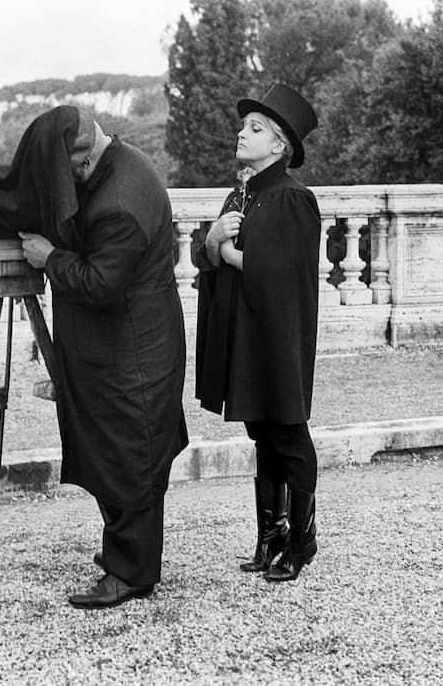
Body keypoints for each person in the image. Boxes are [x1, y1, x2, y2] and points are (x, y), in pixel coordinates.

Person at [0, 106, 188, 609]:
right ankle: (125, 557)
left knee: (131, 454)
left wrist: (49, 258)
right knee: (116, 449)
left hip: (134, 350)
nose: (68, 185)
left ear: (85, 156)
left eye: (68, 175)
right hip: (119, 346)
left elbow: (102, 283)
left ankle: (131, 574)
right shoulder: (112, 165)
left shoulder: (122, 201)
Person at [193, 84, 321, 582]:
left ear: (280, 146)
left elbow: (283, 274)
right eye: (244, 126)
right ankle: (271, 536)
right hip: (245, 335)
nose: (242, 133)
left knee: (288, 433)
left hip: (276, 337)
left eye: (256, 128)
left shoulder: (293, 199)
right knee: (261, 434)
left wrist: (226, 253)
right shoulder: (241, 194)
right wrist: (211, 242)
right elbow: (210, 255)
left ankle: (302, 541)